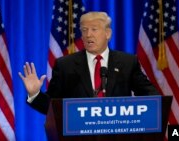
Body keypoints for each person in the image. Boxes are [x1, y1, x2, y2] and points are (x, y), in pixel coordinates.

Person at [19, 11, 159, 114]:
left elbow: (150, 95)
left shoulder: (127, 62)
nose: (88, 35)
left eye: (94, 29)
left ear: (108, 33)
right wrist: (35, 94)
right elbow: (51, 106)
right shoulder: (65, 65)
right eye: (84, 30)